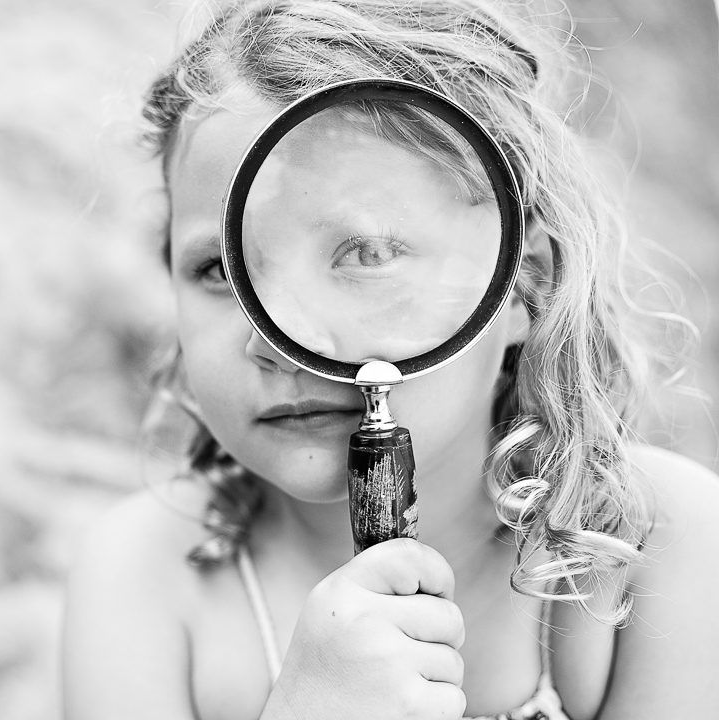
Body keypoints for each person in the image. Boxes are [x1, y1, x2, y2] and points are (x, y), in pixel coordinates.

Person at [61, 1, 719, 718]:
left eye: (366, 253)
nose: (273, 337)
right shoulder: (140, 578)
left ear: (519, 283)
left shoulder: (655, 543)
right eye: (220, 272)